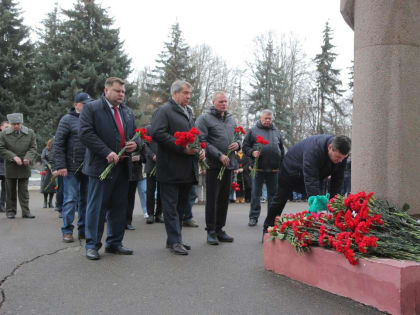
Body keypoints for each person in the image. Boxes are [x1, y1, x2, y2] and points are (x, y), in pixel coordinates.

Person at [79, 77, 141, 260]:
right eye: (117, 91)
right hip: (101, 167)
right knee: (97, 207)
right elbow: (85, 133)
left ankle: (114, 243)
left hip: (122, 167)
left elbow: (136, 134)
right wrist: (106, 152)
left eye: (123, 91)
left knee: (119, 207)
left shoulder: (127, 112)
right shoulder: (92, 108)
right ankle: (92, 245)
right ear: (107, 91)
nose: (121, 94)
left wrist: (135, 145)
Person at [151, 80, 205, 255]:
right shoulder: (164, 111)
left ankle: (174, 239)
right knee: (171, 207)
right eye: (185, 93)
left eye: (190, 93)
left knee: (182, 207)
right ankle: (175, 241)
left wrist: (199, 150)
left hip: (187, 168)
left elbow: (193, 135)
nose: (189, 97)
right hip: (170, 168)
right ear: (175, 94)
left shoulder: (188, 112)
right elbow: (158, 133)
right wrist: (181, 147)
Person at [264, 135, 351, 233]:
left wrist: (334, 204)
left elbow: (338, 180)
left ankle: (316, 230)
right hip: (290, 172)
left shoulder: (341, 156)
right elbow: (311, 178)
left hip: (316, 175)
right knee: (279, 200)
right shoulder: (314, 149)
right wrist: (314, 201)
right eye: (338, 157)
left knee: (321, 201)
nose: (340, 161)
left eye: (343, 158)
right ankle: (267, 228)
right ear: (330, 147)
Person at [196, 91, 240, 245]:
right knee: (213, 199)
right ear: (213, 102)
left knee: (224, 200)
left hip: (229, 165)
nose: (224, 104)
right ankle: (211, 231)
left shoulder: (231, 119)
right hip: (214, 165)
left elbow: (238, 137)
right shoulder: (204, 118)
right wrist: (219, 155)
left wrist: (238, 144)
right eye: (220, 101)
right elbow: (202, 141)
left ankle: (220, 229)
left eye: (226, 101)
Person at [54, 92, 91, 243]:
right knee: (70, 199)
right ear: (76, 105)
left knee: (86, 200)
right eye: (85, 104)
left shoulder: (92, 119)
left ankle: (83, 230)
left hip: (89, 167)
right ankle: (67, 230)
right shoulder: (67, 119)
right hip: (70, 168)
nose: (88, 106)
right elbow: (58, 144)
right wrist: (61, 165)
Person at [242, 109, 285, 227]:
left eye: (269, 119)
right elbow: (244, 147)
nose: (267, 121)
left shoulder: (277, 132)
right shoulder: (253, 131)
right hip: (258, 169)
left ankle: (272, 218)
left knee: (273, 195)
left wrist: (282, 164)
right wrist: (252, 152)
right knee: (256, 193)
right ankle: (253, 217)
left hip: (274, 169)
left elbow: (281, 150)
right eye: (265, 118)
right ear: (260, 118)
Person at [0, 113, 37, 219]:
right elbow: (1, 148)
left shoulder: (30, 133)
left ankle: (26, 212)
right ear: (10, 124)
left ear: (21, 123)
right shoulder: (3, 134)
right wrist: (13, 157)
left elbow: (33, 148)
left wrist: (28, 157)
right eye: (13, 124)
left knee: (24, 191)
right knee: (10, 190)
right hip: (10, 166)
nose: (16, 126)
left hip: (24, 166)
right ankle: (11, 211)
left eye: (18, 123)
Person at [144, 125, 163, 224]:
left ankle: (159, 214)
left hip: (163, 164)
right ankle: (150, 214)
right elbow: (145, 145)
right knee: (150, 191)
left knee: (162, 191)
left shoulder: (165, 128)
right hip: (151, 164)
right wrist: (153, 156)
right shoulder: (148, 129)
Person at [126, 148, 146, 230]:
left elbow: (145, 158)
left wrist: (139, 158)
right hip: (121, 172)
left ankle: (128, 222)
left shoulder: (139, 139)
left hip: (134, 173)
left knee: (130, 199)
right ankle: (117, 221)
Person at [40, 139, 55, 208]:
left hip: (53, 170)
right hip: (46, 170)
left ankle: (50, 202)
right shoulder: (45, 149)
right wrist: (48, 164)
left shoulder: (56, 149)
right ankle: (45, 201)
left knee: (53, 186)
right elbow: (42, 158)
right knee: (45, 186)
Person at [0, 121, 10, 212]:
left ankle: (2, 205)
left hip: (6, 165)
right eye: (6, 127)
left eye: (9, 127)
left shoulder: (10, 138)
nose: (8, 129)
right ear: (1, 127)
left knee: (5, 188)